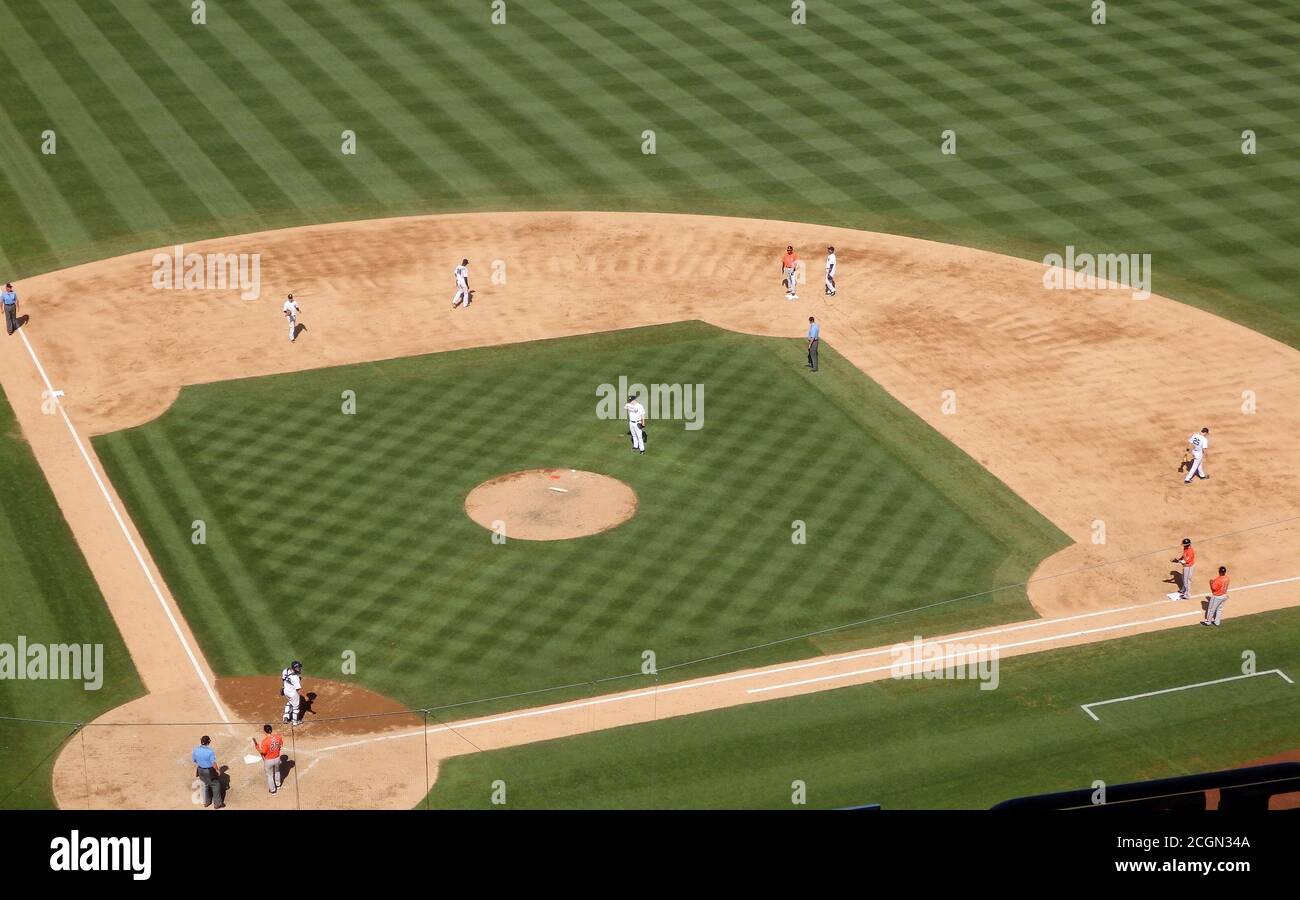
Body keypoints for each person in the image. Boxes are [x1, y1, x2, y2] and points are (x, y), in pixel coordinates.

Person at [192, 735, 224, 809]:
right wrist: (217, 770)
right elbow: (213, 763)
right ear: (209, 741)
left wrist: (201, 763)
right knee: (215, 785)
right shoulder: (210, 752)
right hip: (209, 771)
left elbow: (194, 760)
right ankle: (217, 804)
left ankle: (206, 802)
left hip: (200, 770)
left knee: (204, 785)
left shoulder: (195, 749)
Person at [254, 724, 285, 794]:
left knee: (270, 775)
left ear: (265, 731)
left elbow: (263, 752)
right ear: (271, 730)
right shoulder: (278, 737)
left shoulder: (265, 741)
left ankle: (273, 790)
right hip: (277, 758)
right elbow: (280, 745)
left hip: (269, 761)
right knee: (277, 771)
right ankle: (278, 785)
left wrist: (257, 748)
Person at [282, 660, 307, 726]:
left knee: (290, 702)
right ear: (295, 668)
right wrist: (305, 696)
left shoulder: (285, 670)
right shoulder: (295, 678)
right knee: (296, 707)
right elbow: (298, 690)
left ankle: (286, 716)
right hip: (292, 694)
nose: (300, 669)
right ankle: (295, 722)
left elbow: (283, 679)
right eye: (299, 668)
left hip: (285, 690)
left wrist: (283, 687)